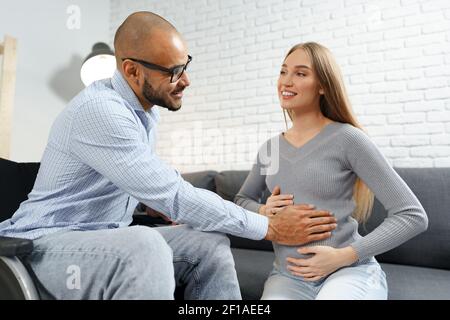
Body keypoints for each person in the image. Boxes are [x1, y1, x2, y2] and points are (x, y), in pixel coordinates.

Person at [0, 13, 337, 299]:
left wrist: (148, 204)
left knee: (208, 242)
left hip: (102, 234)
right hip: (43, 246)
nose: (186, 80)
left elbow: (143, 182)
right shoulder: (100, 111)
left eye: (185, 64)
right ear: (132, 71)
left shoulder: (146, 112)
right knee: (145, 246)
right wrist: (270, 227)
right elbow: (173, 193)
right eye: (174, 71)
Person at [234, 42, 428, 300]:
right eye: (283, 72)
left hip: (349, 271)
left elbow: (412, 215)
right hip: (288, 277)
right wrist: (263, 210)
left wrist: (344, 256)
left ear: (323, 86)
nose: (286, 81)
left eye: (300, 73)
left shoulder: (348, 139)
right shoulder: (270, 149)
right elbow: (240, 201)